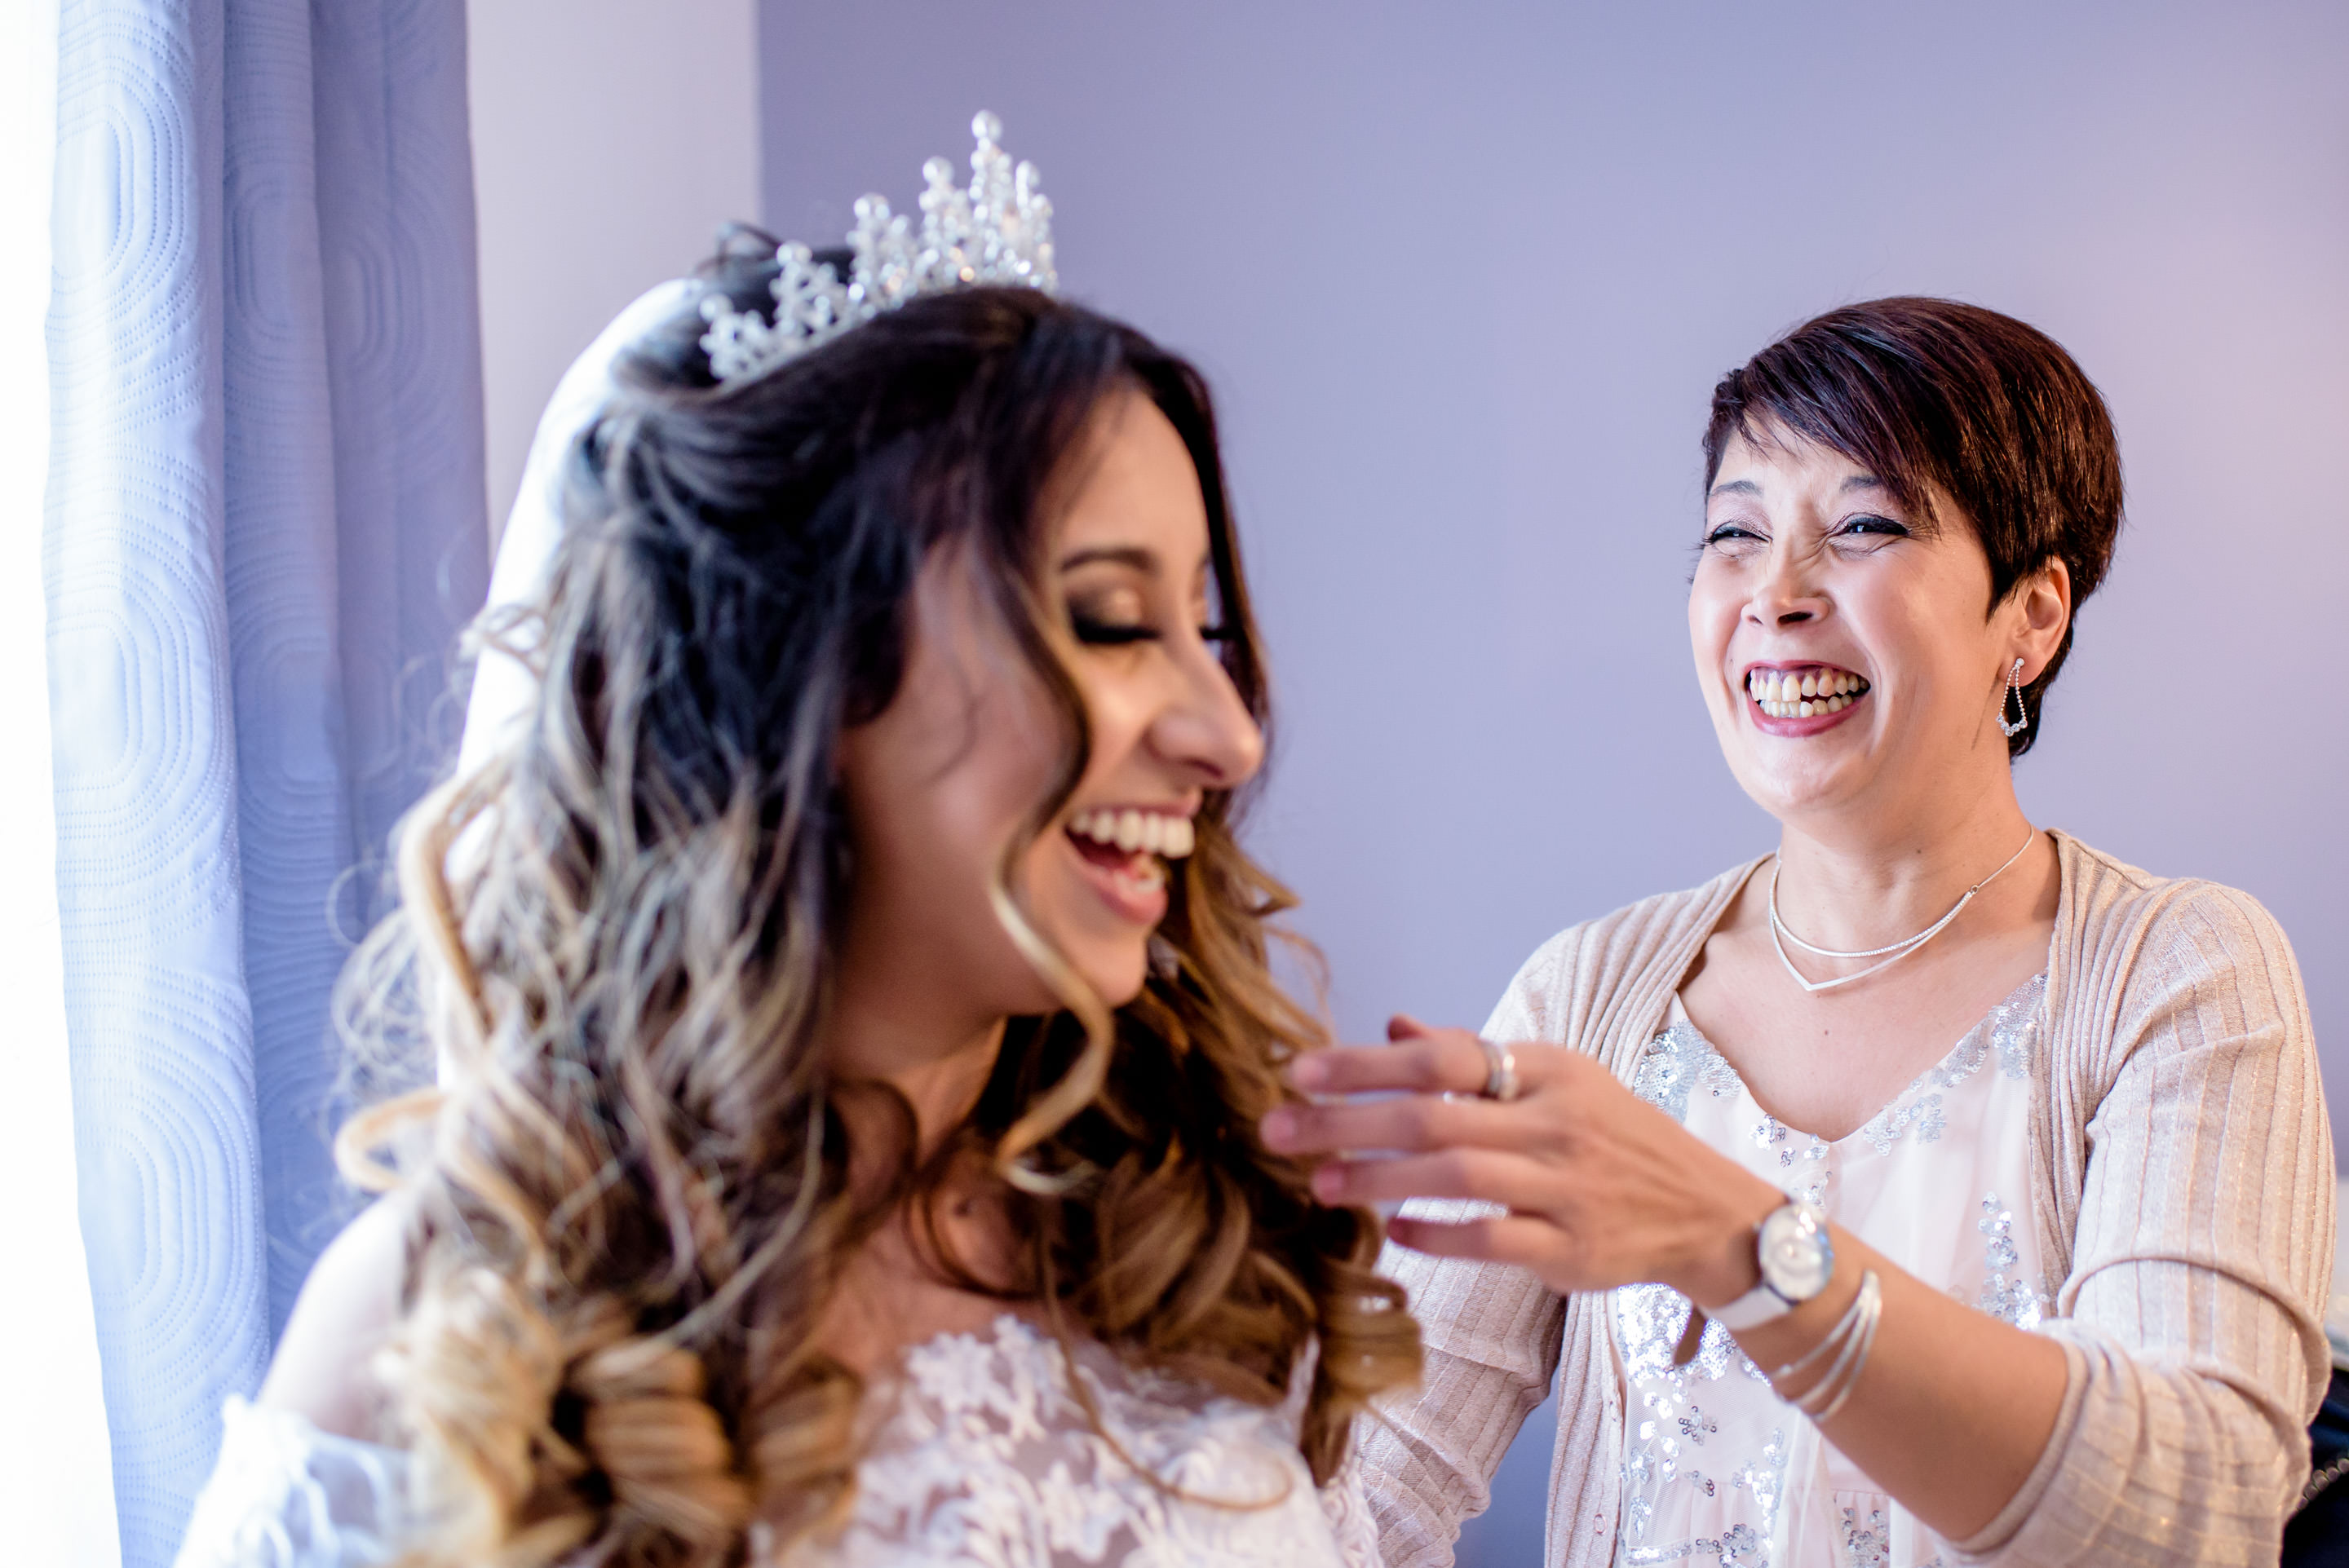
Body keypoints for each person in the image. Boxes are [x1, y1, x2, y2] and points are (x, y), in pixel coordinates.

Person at [172, 116, 1417, 1568]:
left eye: (1207, 630)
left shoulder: (1184, 1245)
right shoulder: (454, 1325)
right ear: (799, 671)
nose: (1230, 736)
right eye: (1109, 622)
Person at [1262, 297, 2334, 1565]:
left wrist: (1739, 1244)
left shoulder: (2184, 973)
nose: (1775, 593)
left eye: (1866, 526)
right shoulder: (1587, 996)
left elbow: (2200, 1516)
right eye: (1734, 533)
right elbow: (1360, 1508)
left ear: (2031, 617)